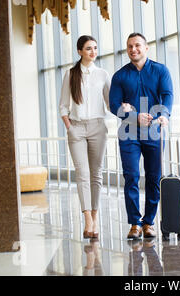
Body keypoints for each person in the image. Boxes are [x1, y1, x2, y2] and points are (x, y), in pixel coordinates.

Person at [109, 33, 173, 240]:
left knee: (154, 178)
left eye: (137, 45)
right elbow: (114, 105)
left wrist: (164, 114)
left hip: (154, 131)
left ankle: (149, 222)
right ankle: (135, 223)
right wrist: (135, 116)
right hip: (129, 133)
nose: (133, 49)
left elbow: (168, 94)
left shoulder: (160, 70)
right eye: (129, 46)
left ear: (146, 48)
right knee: (131, 177)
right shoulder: (119, 76)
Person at [59, 35, 111, 240]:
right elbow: (63, 104)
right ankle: (87, 219)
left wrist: (126, 109)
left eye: (95, 48)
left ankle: (95, 216)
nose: (93, 52)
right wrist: (69, 127)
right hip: (77, 128)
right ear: (80, 51)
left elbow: (110, 102)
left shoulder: (103, 74)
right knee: (82, 173)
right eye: (88, 48)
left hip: (98, 126)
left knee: (96, 174)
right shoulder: (70, 74)